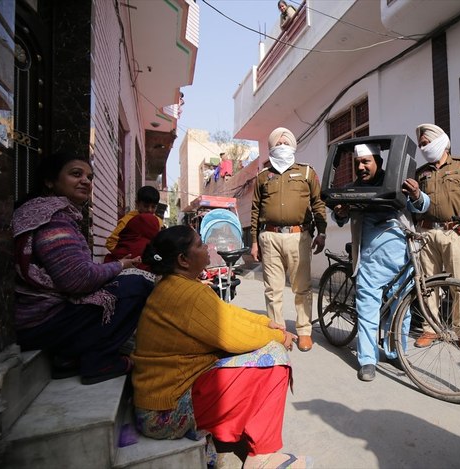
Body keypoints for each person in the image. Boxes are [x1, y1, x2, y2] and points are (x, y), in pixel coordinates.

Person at [132, 226, 311, 469]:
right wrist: (278, 336)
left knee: (260, 350)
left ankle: (243, 438)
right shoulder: (187, 293)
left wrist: (268, 323)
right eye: (199, 245)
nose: (207, 247)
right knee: (274, 357)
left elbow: (229, 314)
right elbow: (233, 336)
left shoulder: (178, 285)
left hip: (160, 404)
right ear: (183, 260)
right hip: (165, 413)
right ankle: (263, 457)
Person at [12, 152, 152, 385]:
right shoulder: (52, 219)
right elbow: (78, 279)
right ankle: (101, 360)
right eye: (76, 174)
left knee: (128, 280)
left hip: (37, 320)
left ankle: (69, 356)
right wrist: (120, 265)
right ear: (50, 181)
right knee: (139, 284)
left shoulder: (49, 213)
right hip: (40, 322)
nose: (86, 181)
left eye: (89, 176)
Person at [332, 143, 429, 382]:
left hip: (402, 260)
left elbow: (424, 205)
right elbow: (339, 217)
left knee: (402, 313)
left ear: (379, 162)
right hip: (369, 261)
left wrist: (417, 194)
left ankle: (396, 353)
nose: (361, 167)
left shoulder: (398, 181)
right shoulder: (352, 189)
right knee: (367, 312)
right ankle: (367, 360)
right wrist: (341, 212)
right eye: (358, 163)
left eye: (366, 162)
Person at [412, 124, 460, 354]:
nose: (423, 148)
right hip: (426, 233)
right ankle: (430, 328)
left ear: (440, 142)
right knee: (428, 284)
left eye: (426, 143)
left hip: (454, 233)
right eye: (421, 145)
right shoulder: (421, 172)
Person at [250, 127, 327, 352]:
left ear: (293, 144)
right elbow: (255, 210)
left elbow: (318, 204)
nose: (282, 145)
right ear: (271, 146)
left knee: (302, 288)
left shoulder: (306, 173)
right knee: (272, 289)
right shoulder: (263, 176)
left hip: (298, 236)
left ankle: (304, 331)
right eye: (278, 142)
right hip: (270, 237)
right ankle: (278, 331)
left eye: (286, 142)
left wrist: (321, 232)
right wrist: (254, 241)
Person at [105, 185, 163, 253]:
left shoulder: (159, 222)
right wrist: (122, 256)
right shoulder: (128, 220)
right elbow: (111, 243)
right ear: (137, 204)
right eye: (146, 206)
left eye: (153, 207)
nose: (149, 210)